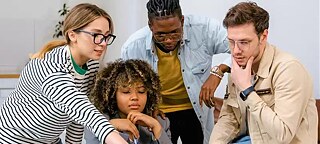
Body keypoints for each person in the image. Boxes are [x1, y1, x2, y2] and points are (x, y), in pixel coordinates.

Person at [0, 3, 127, 144]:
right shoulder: (50, 66)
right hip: (13, 138)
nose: (103, 43)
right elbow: (80, 108)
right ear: (72, 35)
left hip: (49, 140)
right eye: (96, 35)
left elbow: (77, 117)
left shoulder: (91, 65)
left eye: (106, 36)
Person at [121, 0, 231, 143]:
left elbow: (241, 49)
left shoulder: (205, 29)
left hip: (196, 109)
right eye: (160, 35)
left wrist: (218, 71)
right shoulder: (133, 47)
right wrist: (147, 107)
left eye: (174, 32)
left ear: (182, 20)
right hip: (159, 113)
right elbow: (127, 87)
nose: (168, 40)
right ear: (150, 26)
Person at [210, 1, 318, 144]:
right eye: (231, 42)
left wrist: (247, 90)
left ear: (263, 36)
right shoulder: (239, 65)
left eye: (244, 42)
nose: (235, 51)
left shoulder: (289, 69)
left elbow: (283, 135)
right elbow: (230, 118)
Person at [85, 59, 172, 144]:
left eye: (141, 91)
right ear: (113, 94)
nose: (134, 97)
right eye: (126, 92)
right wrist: (110, 126)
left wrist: (156, 127)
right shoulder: (96, 120)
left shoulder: (161, 122)